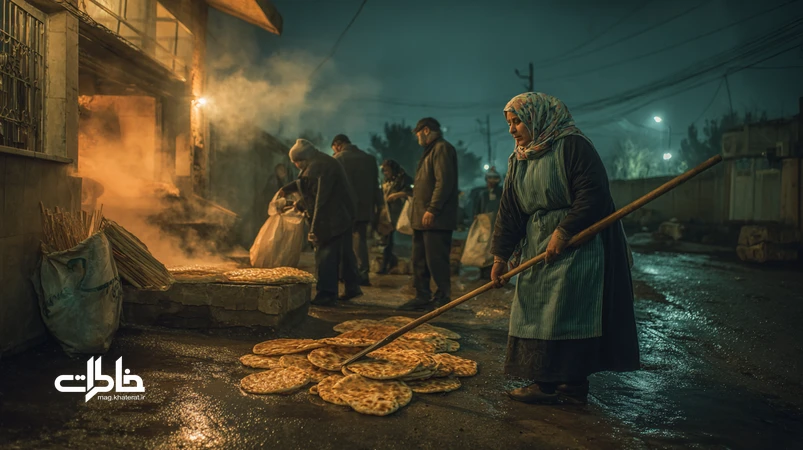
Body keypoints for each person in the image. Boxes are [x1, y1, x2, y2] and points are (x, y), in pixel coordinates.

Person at [490, 92, 640, 405]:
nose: (512, 129)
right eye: (509, 123)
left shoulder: (572, 146)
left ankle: (571, 385)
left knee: (569, 312)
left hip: (580, 245)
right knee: (535, 310)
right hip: (537, 246)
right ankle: (541, 381)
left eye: (517, 121)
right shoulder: (519, 158)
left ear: (537, 118)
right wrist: (500, 255)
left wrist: (565, 230)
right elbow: (511, 209)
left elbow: (594, 194)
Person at [278, 139, 362, 306]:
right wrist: (287, 189)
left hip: (331, 218)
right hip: (343, 215)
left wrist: (314, 229)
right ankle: (352, 288)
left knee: (325, 255)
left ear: (302, 159)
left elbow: (320, 200)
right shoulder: (319, 161)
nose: (296, 166)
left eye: (296, 162)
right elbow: (304, 184)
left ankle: (327, 294)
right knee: (345, 254)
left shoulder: (318, 168)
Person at [399, 117, 459, 311]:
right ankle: (422, 295)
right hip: (422, 218)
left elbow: (444, 182)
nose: (417, 138)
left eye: (417, 133)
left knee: (436, 259)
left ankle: (443, 296)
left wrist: (433, 209)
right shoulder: (430, 150)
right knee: (419, 259)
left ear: (425, 130)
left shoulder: (442, 149)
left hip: (436, 219)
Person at [331, 134, 383, 286]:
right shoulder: (369, 159)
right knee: (360, 240)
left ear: (338, 144)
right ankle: (363, 273)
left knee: (342, 241)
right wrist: (379, 206)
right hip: (364, 208)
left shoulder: (338, 159)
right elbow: (376, 185)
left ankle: (345, 274)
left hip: (344, 208)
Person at [378, 159, 413, 274]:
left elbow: (411, 191)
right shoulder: (387, 180)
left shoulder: (403, 179)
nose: (386, 173)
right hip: (388, 214)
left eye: (387, 170)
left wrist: (397, 195)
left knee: (392, 241)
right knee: (388, 241)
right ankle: (387, 264)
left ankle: (388, 265)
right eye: (384, 171)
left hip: (399, 214)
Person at [469, 167, 504, 279]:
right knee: (482, 248)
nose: (492, 181)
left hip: (497, 223)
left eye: (495, 178)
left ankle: (493, 272)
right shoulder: (482, 194)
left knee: (494, 248)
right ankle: (482, 272)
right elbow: (477, 209)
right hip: (484, 224)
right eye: (490, 178)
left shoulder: (501, 192)